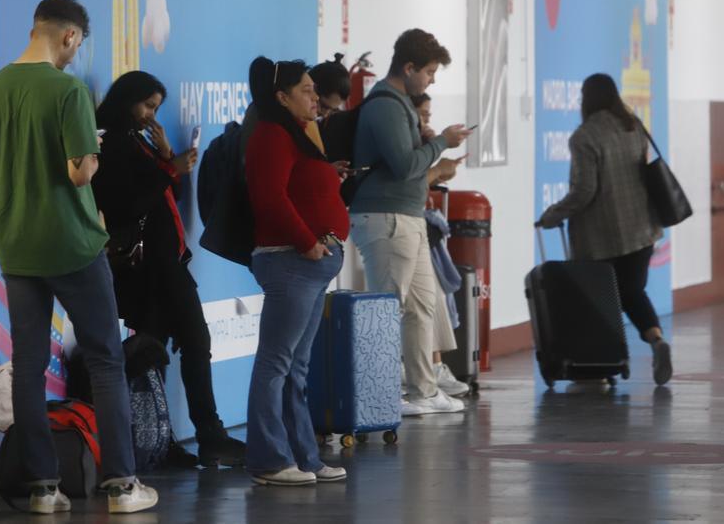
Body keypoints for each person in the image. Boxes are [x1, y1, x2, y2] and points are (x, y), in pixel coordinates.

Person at [0, 0, 157, 514]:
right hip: (73, 245)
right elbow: (80, 172)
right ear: (69, 36)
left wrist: (16, 153)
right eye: (76, 46)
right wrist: (86, 150)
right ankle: (120, 486)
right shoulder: (68, 91)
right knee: (105, 360)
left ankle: (43, 489)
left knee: (27, 366)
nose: (74, 57)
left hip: (18, 248)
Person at [92, 70, 246, 467]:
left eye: (156, 108)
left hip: (164, 262)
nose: (150, 115)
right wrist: (168, 167)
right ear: (127, 99)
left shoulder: (136, 140)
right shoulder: (109, 142)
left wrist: (165, 159)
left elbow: (169, 192)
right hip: (149, 268)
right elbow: (125, 203)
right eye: (147, 105)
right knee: (190, 342)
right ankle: (202, 435)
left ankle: (162, 441)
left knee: (157, 352)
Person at [348, 28, 470, 417]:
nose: (432, 80)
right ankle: (379, 394)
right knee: (387, 308)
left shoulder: (402, 103)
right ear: (409, 67)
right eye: (430, 72)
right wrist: (439, 145)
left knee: (422, 306)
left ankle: (423, 388)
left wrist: (425, 141)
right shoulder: (385, 104)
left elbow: (407, 159)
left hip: (409, 217)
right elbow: (403, 168)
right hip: (386, 218)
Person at [244, 57, 348, 486]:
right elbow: (269, 197)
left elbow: (298, 188)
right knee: (277, 363)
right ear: (282, 97)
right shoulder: (270, 134)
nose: (315, 97)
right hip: (291, 260)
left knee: (296, 367)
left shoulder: (300, 132)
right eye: (306, 90)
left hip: (310, 265)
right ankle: (270, 460)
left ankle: (303, 455)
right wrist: (308, 243)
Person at [537, 73, 673, 386]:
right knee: (631, 291)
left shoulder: (585, 136)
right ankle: (655, 340)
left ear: (586, 99)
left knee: (599, 299)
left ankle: (600, 366)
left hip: (603, 237)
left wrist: (553, 215)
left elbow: (585, 191)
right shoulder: (632, 125)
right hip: (642, 229)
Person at [411, 93, 469, 398]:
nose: (426, 123)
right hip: (396, 226)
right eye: (422, 115)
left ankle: (434, 366)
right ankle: (425, 373)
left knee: (431, 294)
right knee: (423, 298)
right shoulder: (401, 141)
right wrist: (436, 170)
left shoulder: (418, 145)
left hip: (412, 225)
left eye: (429, 116)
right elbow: (410, 186)